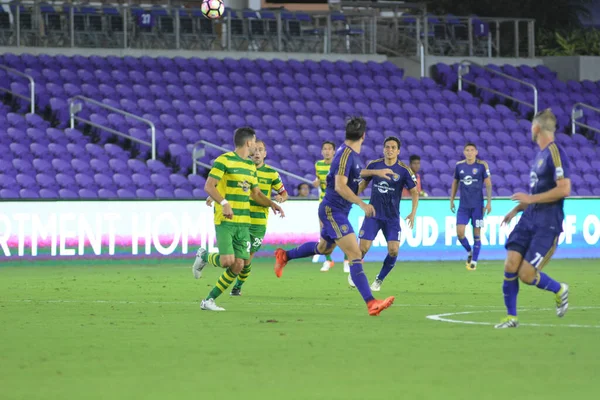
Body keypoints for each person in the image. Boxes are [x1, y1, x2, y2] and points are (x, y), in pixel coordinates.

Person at [273, 117, 395, 316]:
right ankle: (371, 302)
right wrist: (362, 203)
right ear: (364, 136)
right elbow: (340, 185)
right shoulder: (345, 155)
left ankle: (284, 255)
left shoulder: (349, 155)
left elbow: (354, 173)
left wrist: (375, 172)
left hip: (336, 210)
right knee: (355, 254)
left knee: (323, 247)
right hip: (333, 210)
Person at [192, 127, 285, 311]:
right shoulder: (223, 161)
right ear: (249, 143)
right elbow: (209, 186)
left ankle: (209, 300)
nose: (256, 148)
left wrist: (271, 204)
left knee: (239, 264)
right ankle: (203, 255)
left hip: (244, 222)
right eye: (254, 143)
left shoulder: (250, 167)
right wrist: (224, 202)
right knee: (227, 261)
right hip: (225, 220)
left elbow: (256, 193)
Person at [495, 109, 570, 329]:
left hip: (548, 223)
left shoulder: (556, 152)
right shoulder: (540, 155)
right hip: (528, 219)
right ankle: (511, 317)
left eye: (531, 127)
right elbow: (536, 194)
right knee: (510, 263)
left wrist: (530, 198)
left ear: (536, 128)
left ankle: (559, 289)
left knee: (526, 274)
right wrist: (517, 209)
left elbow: (564, 189)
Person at [355, 136, 419, 291]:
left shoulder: (404, 170)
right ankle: (354, 272)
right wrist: (349, 196)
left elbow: (414, 192)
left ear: (398, 151)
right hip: (373, 214)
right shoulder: (374, 166)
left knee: (393, 250)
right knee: (362, 249)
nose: (389, 150)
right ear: (383, 149)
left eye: (393, 147)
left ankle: (379, 280)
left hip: (391, 217)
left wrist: (412, 213)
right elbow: (362, 185)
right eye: (387, 147)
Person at [449, 143, 492, 271]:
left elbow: (488, 184)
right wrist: (451, 200)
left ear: (476, 152)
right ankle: (469, 251)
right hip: (463, 206)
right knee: (460, 233)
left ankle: (474, 261)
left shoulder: (482, 165)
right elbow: (455, 182)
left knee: (477, 234)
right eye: (467, 150)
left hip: (478, 206)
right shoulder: (459, 166)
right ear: (464, 152)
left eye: (472, 150)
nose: (469, 152)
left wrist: (489, 202)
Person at [313, 140, 350, 273]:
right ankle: (328, 260)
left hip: (339, 204)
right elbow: (319, 180)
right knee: (324, 233)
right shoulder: (318, 165)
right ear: (322, 151)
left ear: (334, 151)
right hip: (323, 203)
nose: (327, 151)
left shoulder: (339, 165)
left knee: (343, 232)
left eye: (329, 149)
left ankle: (347, 260)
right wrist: (316, 182)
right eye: (325, 149)